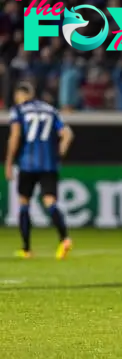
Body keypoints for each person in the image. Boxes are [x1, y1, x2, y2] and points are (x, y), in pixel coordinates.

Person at [5, 81, 74, 259]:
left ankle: (26, 249)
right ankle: (64, 238)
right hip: (49, 164)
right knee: (50, 201)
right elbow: (67, 134)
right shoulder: (51, 110)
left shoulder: (18, 110)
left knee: (23, 203)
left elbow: (15, 136)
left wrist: (8, 163)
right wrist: (60, 151)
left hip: (27, 163)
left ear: (21, 95)